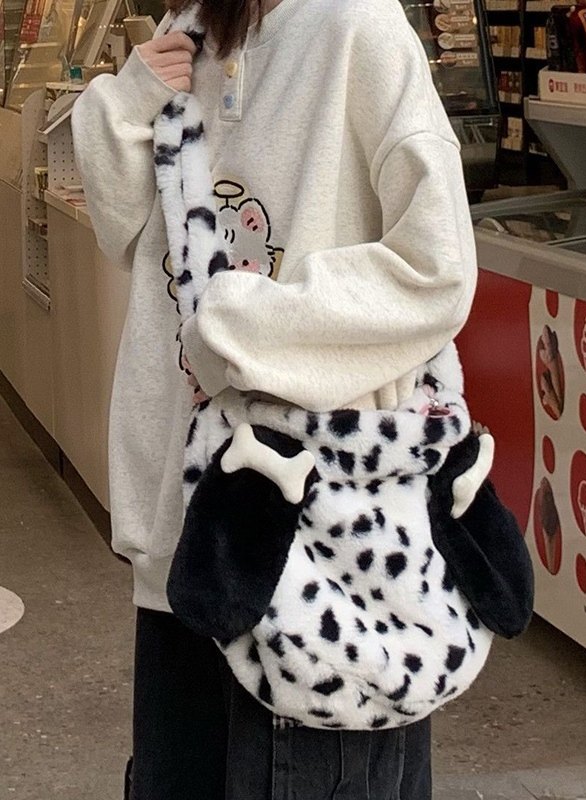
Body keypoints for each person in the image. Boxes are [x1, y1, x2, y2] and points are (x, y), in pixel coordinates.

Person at [72, 0, 478, 797]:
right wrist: (124, 102)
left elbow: (436, 267)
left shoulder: (356, 25)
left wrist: (241, 320)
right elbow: (124, 231)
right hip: (183, 530)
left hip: (319, 543)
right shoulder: (195, 26)